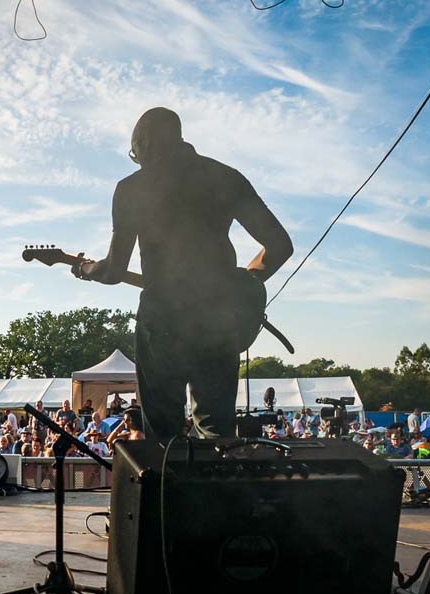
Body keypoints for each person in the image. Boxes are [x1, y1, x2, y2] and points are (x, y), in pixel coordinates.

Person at [72, 107, 293, 439]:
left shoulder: (133, 188)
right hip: (218, 319)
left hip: (162, 321)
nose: (137, 160)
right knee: (218, 432)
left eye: (135, 152)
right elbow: (279, 245)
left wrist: (85, 268)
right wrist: (243, 283)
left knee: (163, 438)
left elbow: (114, 269)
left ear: (144, 143)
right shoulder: (225, 177)